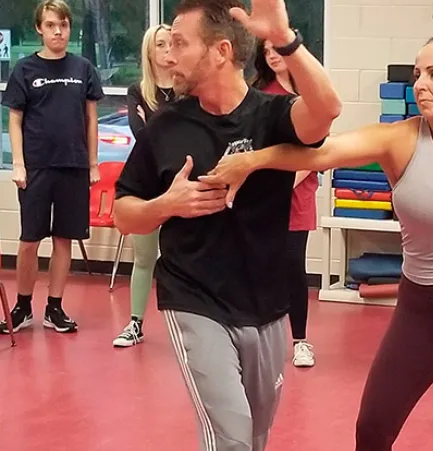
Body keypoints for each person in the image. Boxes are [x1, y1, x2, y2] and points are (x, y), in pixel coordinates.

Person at [202, 33, 433, 451]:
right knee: (372, 428)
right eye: (417, 73)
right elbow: (321, 154)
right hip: (421, 304)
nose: (419, 83)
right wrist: (252, 160)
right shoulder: (399, 139)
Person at [112, 0, 341, 449]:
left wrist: (284, 40)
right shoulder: (166, 126)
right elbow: (124, 213)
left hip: (266, 304)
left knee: (254, 436)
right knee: (231, 437)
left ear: (219, 51)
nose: (168, 55)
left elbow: (327, 108)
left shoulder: (272, 116)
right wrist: (167, 204)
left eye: (180, 43)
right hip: (193, 298)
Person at [0, 0, 103, 335]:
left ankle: (54, 308)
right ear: (39, 29)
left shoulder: (83, 68)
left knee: (63, 239)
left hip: (73, 166)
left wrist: (92, 163)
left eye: (63, 25)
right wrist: (18, 163)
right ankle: (23, 306)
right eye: (51, 25)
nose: (58, 31)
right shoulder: (25, 70)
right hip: (36, 167)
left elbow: (91, 118)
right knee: (30, 239)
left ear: (69, 27)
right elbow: (14, 121)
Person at [252, 38, 319, 367]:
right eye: (266, 52)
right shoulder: (261, 94)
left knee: (293, 265)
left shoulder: (309, 91)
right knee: (264, 266)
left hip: (299, 193)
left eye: (277, 49)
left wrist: (294, 178)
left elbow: (316, 151)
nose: (272, 56)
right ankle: (264, 337)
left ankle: (300, 340)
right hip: (266, 196)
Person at [112, 23, 175, 348]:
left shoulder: (187, 89)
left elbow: (184, 134)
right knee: (144, 257)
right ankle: (135, 323)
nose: (168, 51)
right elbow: (143, 136)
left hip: (180, 183)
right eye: (161, 45)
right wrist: (164, 128)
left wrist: (156, 124)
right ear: (150, 51)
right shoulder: (138, 91)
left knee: (185, 258)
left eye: (172, 44)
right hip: (146, 185)